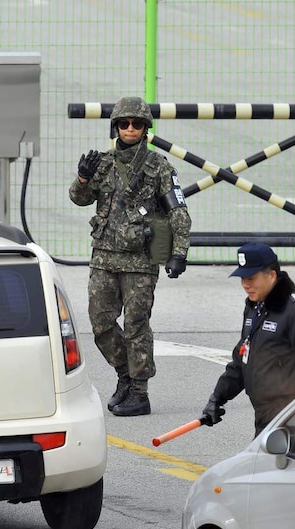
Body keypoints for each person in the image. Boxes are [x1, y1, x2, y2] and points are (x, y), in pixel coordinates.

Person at [69, 96, 191, 417]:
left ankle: (139, 390)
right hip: (104, 258)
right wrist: (82, 178)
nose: (130, 129)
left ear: (146, 128)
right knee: (101, 324)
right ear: (116, 127)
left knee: (137, 325)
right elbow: (79, 199)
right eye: (124, 123)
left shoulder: (160, 167)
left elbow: (178, 212)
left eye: (137, 124)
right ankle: (125, 375)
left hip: (140, 261)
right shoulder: (104, 164)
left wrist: (178, 252)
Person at [201, 242, 295, 435]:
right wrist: (218, 397)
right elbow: (242, 359)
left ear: (271, 275)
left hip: (291, 419)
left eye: (251, 278)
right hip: (265, 416)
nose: (245, 284)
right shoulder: (255, 307)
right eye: (242, 278)